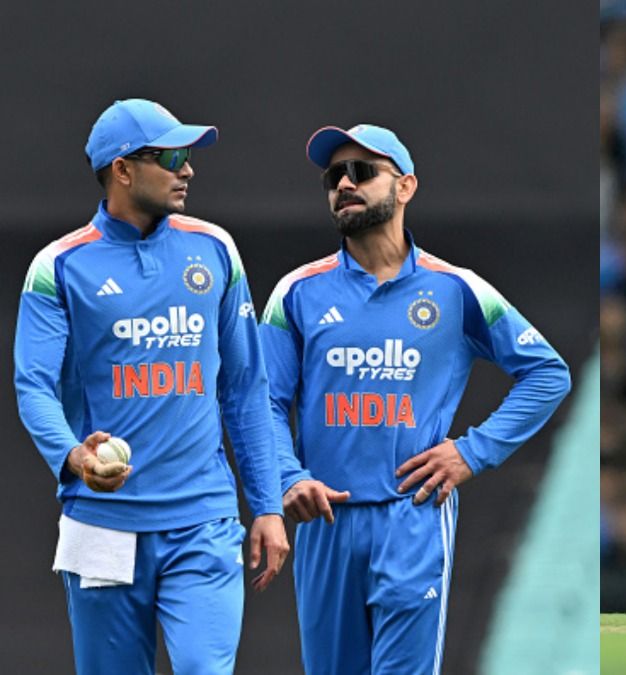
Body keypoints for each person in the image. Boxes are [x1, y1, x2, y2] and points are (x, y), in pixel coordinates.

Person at [259, 123, 572, 673]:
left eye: (362, 172)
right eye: (334, 176)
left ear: (405, 187)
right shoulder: (296, 292)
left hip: (413, 518)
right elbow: (263, 403)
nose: (344, 185)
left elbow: (547, 373)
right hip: (327, 526)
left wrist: (471, 452)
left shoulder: (455, 288)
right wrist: (288, 477)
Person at [13, 99, 289, 674]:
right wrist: (73, 457)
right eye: (172, 155)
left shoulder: (215, 249)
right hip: (103, 525)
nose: (187, 169)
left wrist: (266, 505)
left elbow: (244, 388)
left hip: (203, 524)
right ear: (123, 169)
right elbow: (33, 384)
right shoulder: (58, 266)